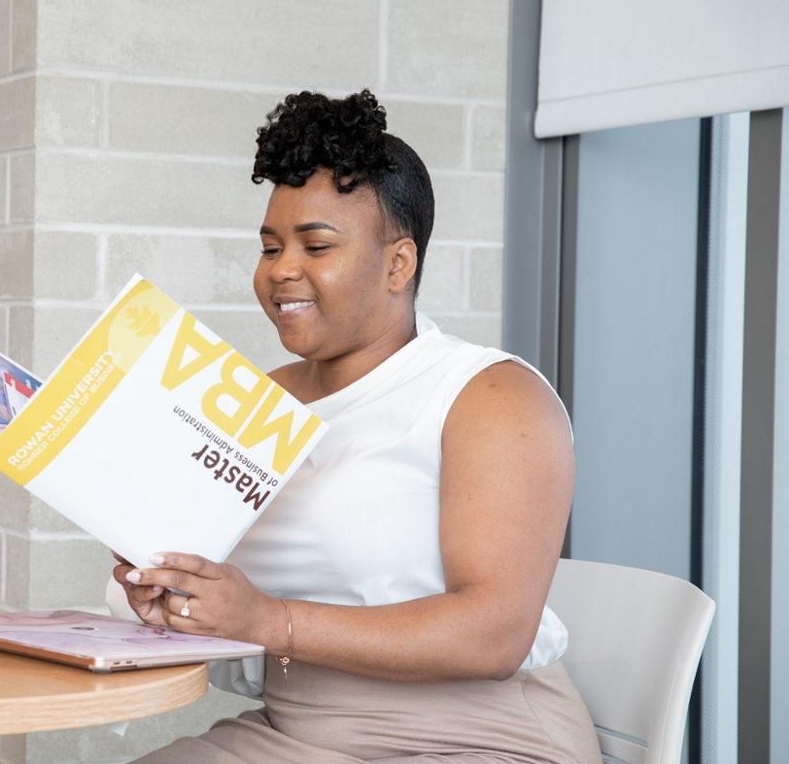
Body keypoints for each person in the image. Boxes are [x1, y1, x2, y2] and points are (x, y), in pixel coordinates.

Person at [110, 89, 600, 764]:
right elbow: (225, 601)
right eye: (270, 245)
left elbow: (495, 634)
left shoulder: (487, 395)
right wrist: (170, 587)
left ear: (399, 264)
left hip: (480, 742)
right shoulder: (253, 402)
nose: (282, 269)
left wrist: (268, 620)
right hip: (296, 735)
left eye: (316, 245)